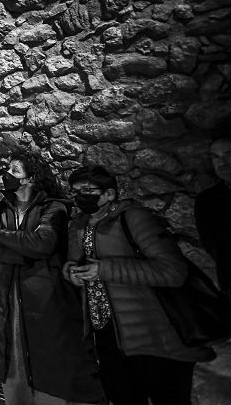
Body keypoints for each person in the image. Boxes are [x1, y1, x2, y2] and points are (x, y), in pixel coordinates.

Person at [63, 166, 214, 405]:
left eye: (88, 190)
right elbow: (75, 261)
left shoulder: (133, 218)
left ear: (109, 194)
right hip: (107, 334)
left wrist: (104, 269)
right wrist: (71, 272)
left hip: (153, 335)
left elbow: (173, 271)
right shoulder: (80, 224)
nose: (80, 196)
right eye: (75, 191)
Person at [0, 155, 104, 405]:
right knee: (12, 356)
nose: (7, 173)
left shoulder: (53, 207)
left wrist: (4, 236)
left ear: (31, 177)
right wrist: (26, 249)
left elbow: (44, 243)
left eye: (14, 169)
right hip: (7, 297)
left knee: (48, 359)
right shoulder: (1, 207)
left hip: (44, 299)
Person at [195, 137, 231, 298]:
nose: (221, 163)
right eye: (215, 157)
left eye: (228, 155)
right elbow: (211, 244)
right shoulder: (207, 201)